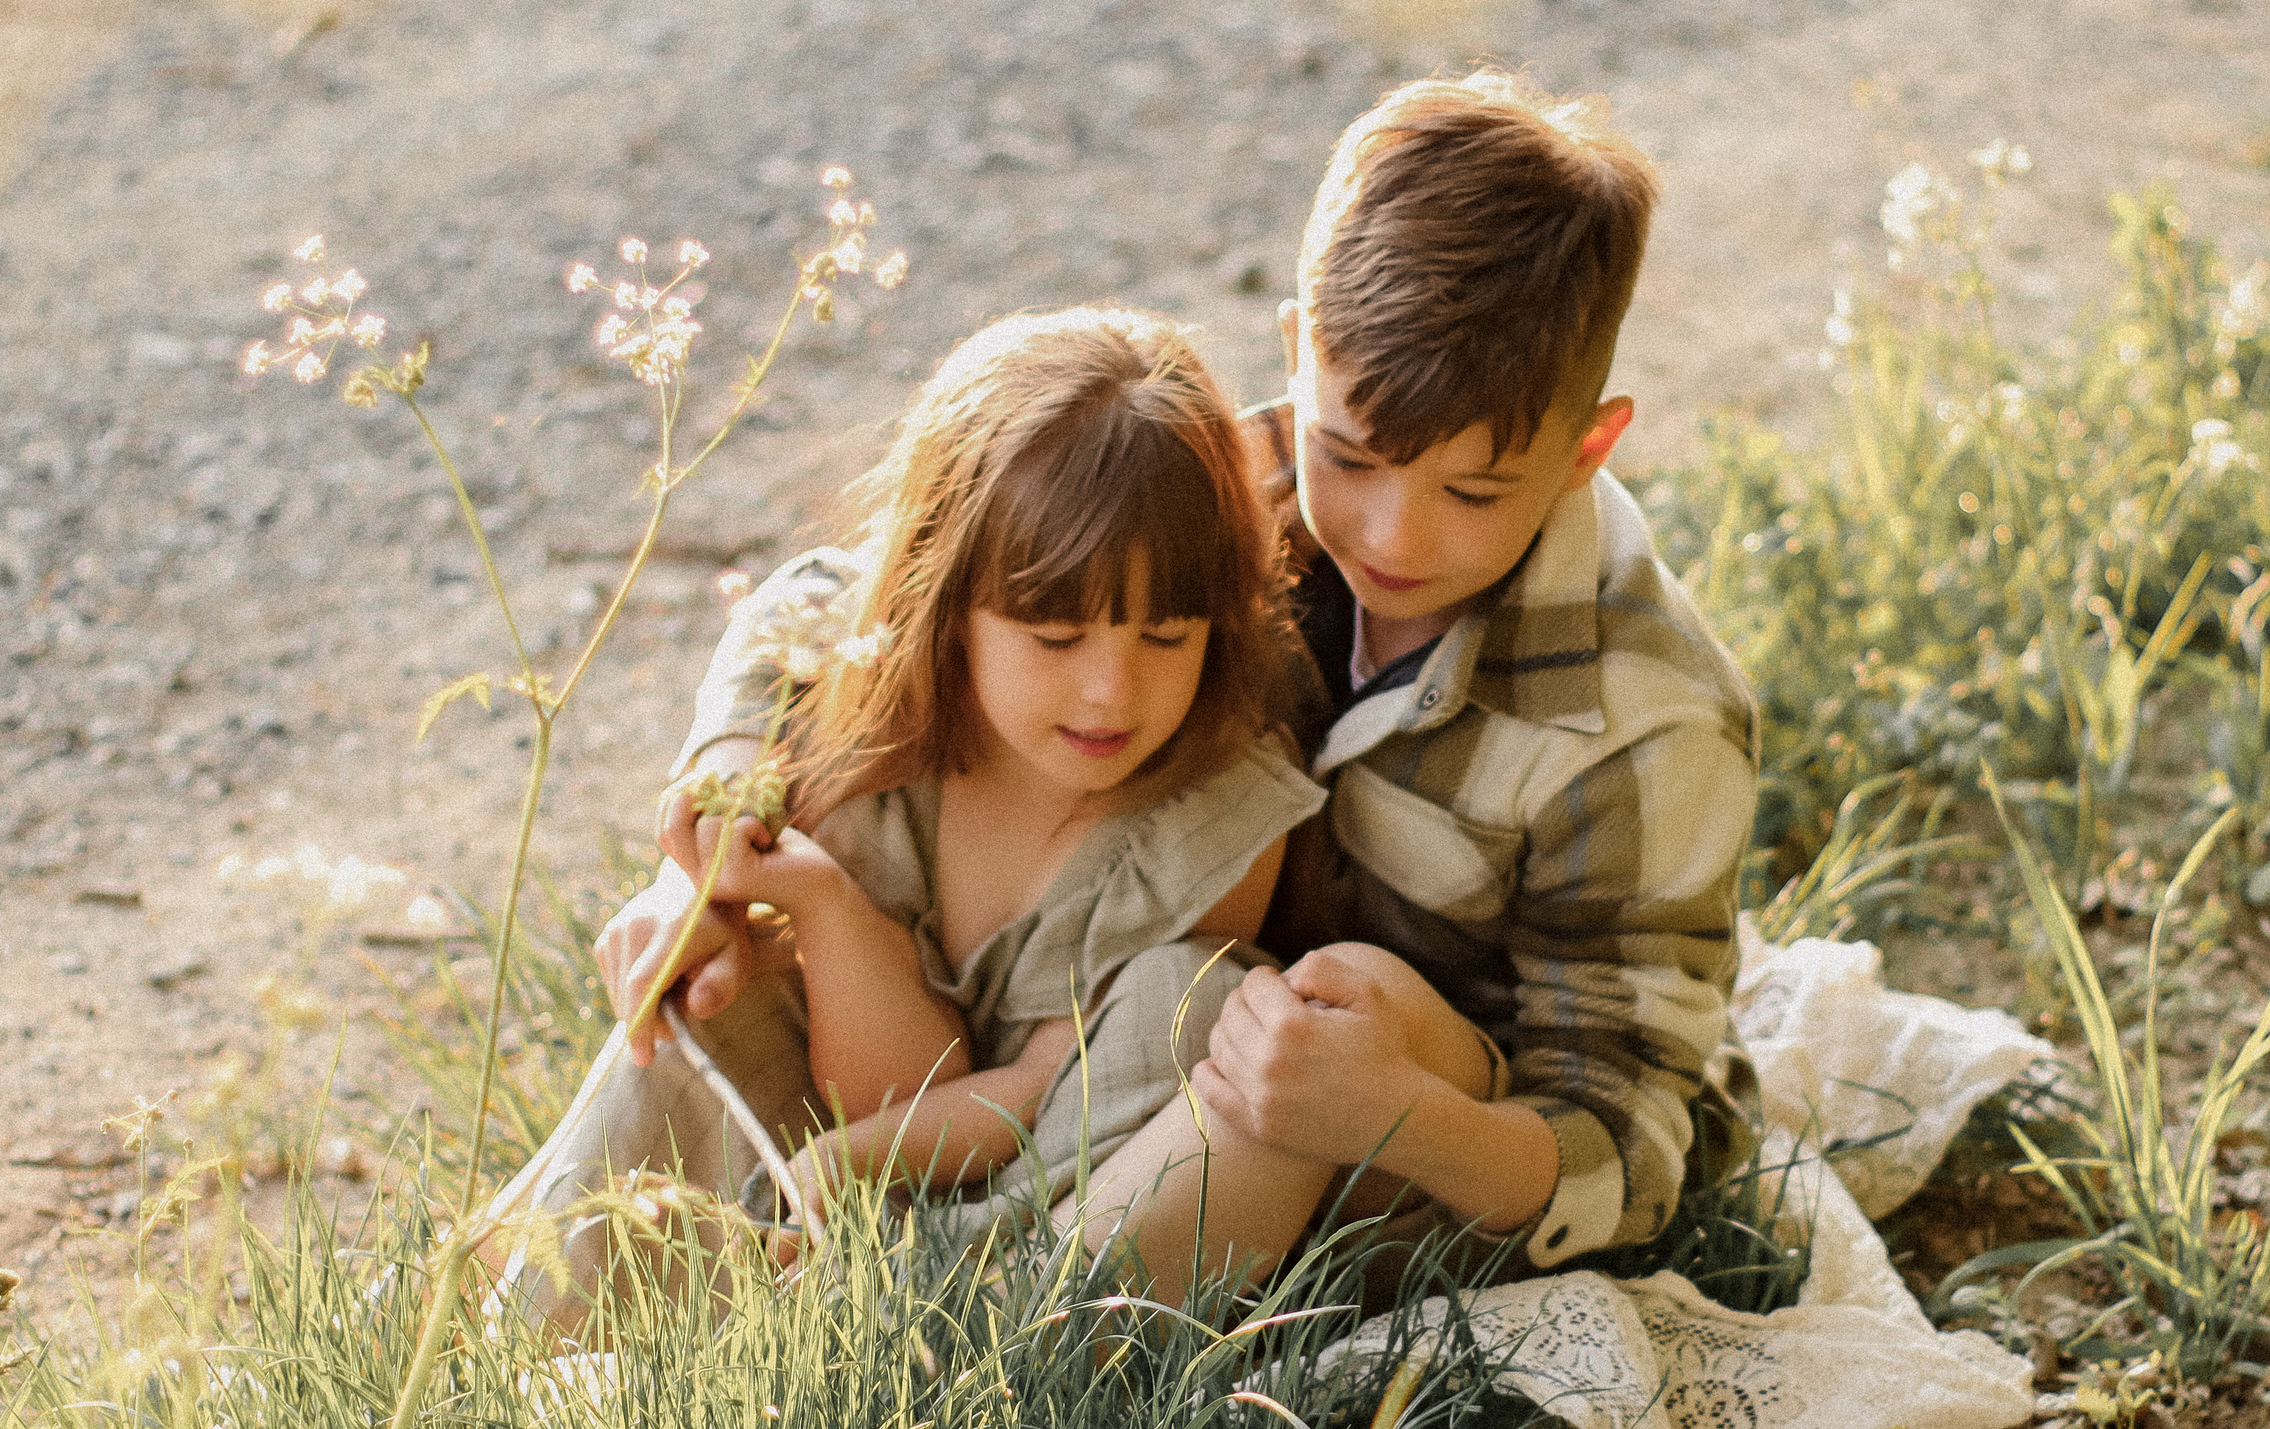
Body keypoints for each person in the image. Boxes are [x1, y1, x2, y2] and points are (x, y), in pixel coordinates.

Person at [618, 70, 1760, 1307]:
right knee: (756, 933)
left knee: (1320, 998)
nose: (1391, 532)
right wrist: (728, 780)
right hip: (1139, 1053)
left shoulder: (1646, 719)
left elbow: (1633, 1145)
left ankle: (968, 1342)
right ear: (1296, 354)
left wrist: (1399, 1111)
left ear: (1592, 441)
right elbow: (859, 589)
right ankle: (630, 1275)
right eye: (1350, 454)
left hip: (1406, 1126)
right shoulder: (1237, 473)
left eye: (1471, 493)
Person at [482, 305, 1368, 1328]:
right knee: (713, 993)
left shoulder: (1208, 823)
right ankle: (546, 1338)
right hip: (855, 1121)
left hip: (1034, 1198)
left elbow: (1028, 1099)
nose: (1110, 693)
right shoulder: (868, 718)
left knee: (1194, 998)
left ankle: (920, 1336)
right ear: (945, 605)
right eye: (1054, 635)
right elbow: (799, 601)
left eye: (1166, 636)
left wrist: (844, 1162)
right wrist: (811, 896)